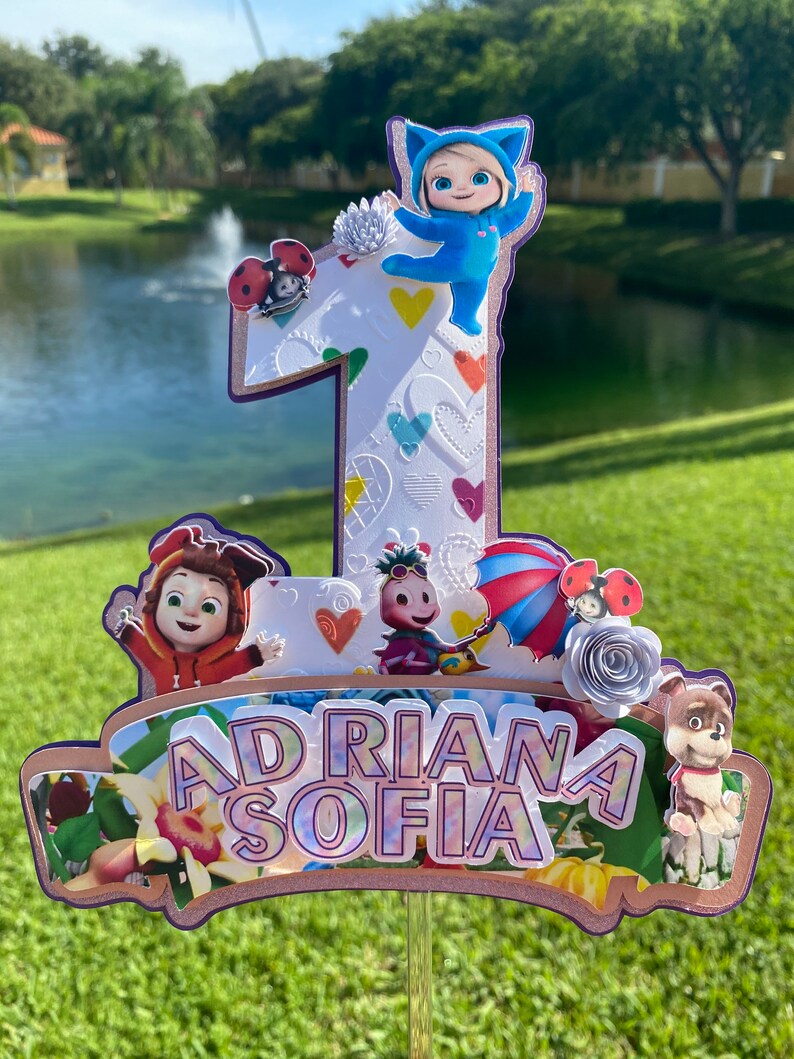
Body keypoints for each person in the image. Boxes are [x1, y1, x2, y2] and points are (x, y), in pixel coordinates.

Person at [381, 120, 536, 336]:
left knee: (474, 296)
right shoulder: (451, 224)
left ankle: (464, 316)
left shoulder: (495, 221)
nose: (462, 188)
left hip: (481, 274)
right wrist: (399, 211)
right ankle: (403, 266)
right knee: (425, 269)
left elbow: (516, 214)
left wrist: (527, 193)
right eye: (443, 183)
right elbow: (424, 227)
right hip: (449, 265)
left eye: (479, 178)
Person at [112, 523, 284, 696]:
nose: (190, 612)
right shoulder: (158, 660)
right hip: (164, 714)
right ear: (154, 602)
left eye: (209, 607)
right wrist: (127, 629)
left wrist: (257, 654)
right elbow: (141, 646)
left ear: (232, 618)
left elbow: (235, 664)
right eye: (174, 600)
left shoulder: (214, 668)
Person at [374, 541, 488, 676]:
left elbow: (452, 649)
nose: (422, 609)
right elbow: (386, 664)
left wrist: (479, 634)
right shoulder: (401, 641)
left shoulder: (428, 637)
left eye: (426, 597)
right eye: (403, 599)